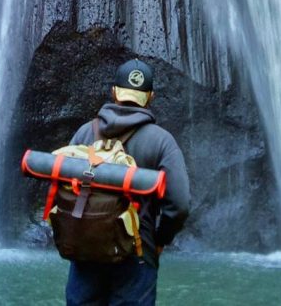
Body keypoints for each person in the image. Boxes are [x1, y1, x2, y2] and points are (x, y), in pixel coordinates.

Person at [64, 58, 190, 306]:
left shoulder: (84, 133)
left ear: (114, 92)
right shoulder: (162, 141)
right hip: (137, 252)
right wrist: (161, 239)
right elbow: (180, 203)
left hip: (86, 249)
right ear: (150, 96)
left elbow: (61, 185)